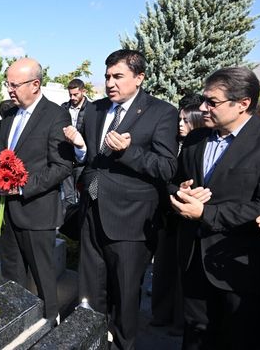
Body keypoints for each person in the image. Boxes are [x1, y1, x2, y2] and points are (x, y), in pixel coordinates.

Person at [64, 49, 178, 350]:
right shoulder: (96, 110)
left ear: (139, 78)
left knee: (125, 297)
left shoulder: (161, 112)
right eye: (106, 76)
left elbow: (167, 167)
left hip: (131, 223)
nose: (110, 82)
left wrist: (129, 152)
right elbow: (90, 159)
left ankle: (122, 345)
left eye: (118, 76)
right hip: (92, 214)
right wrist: (80, 158)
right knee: (89, 292)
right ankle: (92, 341)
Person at [170, 67, 260, 350]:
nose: (203, 108)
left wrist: (206, 214)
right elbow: (174, 182)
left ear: (243, 104)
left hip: (241, 269)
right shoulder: (196, 139)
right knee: (195, 338)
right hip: (194, 262)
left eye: (212, 102)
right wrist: (181, 193)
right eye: (204, 100)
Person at [0, 58, 73, 322]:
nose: (9, 89)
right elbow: (0, 155)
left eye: (14, 84)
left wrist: (21, 188)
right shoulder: (8, 115)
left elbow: (61, 167)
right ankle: (17, 319)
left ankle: (49, 323)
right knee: (12, 272)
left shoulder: (56, 115)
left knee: (43, 276)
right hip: (7, 211)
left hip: (37, 212)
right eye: (7, 84)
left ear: (35, 84)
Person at [150, 94, 204, 335]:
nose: (180, 124)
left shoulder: (197, 146)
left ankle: (180, 321)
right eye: (179, 120)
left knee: (183, 273)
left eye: (185, 120)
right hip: (167, 214)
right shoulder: (171, 143)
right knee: (163, 269)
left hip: (188, 216)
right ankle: (161, 314)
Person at [59, 78, 91, 239]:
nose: (72, 97)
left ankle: (81, 231)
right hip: (66, 159)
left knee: (84, 195)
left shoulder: (92, 110)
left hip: (83, 161)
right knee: (68, 196)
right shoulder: (63, 108)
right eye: (70, 94)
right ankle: (68, 231)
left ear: (83, 91)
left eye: (75, 94)